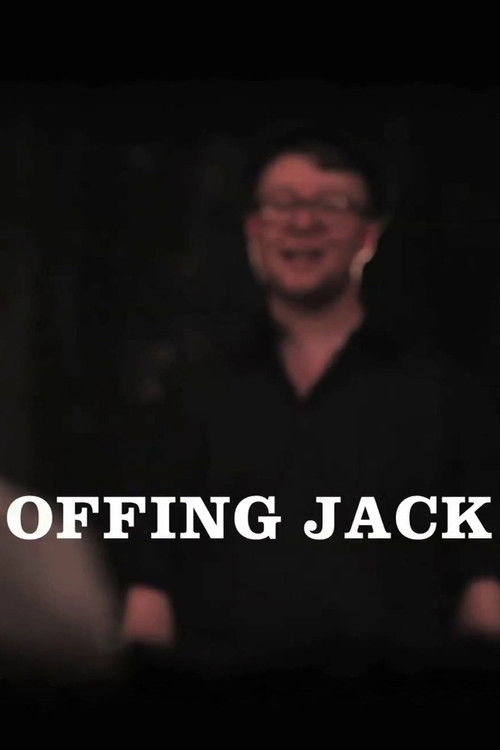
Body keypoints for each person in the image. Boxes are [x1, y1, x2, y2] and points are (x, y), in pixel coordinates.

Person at [119, 126, 500, 685]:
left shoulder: (445, 393)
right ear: (253, 229)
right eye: (282, 204)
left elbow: (484, 588)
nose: (303, 222)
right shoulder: (190, 393)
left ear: (368, 234)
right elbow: (150, 592)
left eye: (332, 205)